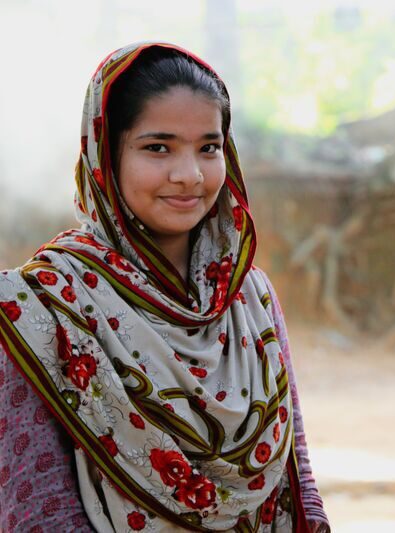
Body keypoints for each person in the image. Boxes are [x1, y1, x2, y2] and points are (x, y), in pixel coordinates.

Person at [0, 42, 329, 532]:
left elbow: (295, 475)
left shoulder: (249, 298)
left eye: (208, 148)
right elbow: (36, 505)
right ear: (105, 156)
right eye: (158, 147)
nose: (189, 175)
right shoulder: (40, 308)